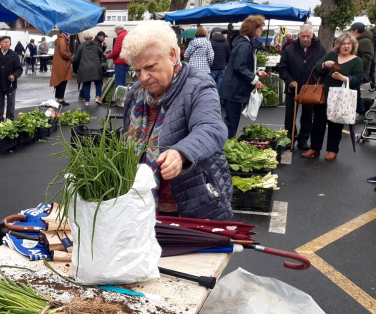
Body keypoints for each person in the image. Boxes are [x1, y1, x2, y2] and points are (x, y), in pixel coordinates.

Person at [120, 21, 232, 220]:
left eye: (150, 67)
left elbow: (212, 128)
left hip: (188, 205)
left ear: (172, 55)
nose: (143, 77)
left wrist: (181, 153)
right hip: (138, 206)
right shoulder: (135, 93)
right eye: (137, 71)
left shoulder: (199, 86)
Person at [302, 32, 366, 161]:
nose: (346, 46)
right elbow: (317, 68)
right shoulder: (331, 55)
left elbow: (359, 78)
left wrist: (344, 78)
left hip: (340, 98)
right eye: (343, 43)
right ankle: (314, 148)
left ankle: (332, 150)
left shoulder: (356, 60)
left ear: (353, 46)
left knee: (336, 125)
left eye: (349, 44)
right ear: (339, 45)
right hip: (324, 95)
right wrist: (325, 65)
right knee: (318, 123)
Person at [276, 24, 326, 151]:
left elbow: (323, 68)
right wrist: (289, 80)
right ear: (299, 35)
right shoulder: (290, 48)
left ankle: (303, 140)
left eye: (308, 36)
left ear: (312, 35)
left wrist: (318, 82)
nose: (305, 39)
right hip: (293, 87)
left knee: (307, 115)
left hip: (310, 88)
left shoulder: (320, 48)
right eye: (303, 36)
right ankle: (290, 138)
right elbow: (282, 68)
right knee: (290, 116)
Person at [219, 15, 268, 139]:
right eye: (260, 28)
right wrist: (255, 80)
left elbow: (242, 65)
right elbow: (239, 67)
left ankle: (224, 146)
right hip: (234, 90)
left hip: (233, 88)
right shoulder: (244, 45)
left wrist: (256, 72)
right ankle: (222, 148)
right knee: (231, 123)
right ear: (254, 28)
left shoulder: (244, 43)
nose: (261, 31)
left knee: (231, 122)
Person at [0, 36, 23, 122]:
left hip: (10, 84)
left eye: (8, 42)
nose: (7, 43)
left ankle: (10, 119)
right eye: (5, 42)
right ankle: (0, 119)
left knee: (11, 103)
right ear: (0, 44)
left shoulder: (14, 55)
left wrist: (14, 76)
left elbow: (19, 69)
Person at [349, 22, 373, 118]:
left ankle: (362, 112)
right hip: (358, 72)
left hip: (361, 72)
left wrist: (355, 64)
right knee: (354, 92)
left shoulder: (364, 41)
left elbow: (368, 56)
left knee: (355, 93)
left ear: (355, 31)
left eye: (351, 31)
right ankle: (362, 111)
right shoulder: (360, 40)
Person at [73, 31, 104, 106]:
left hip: (84, 67)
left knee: (86, 83)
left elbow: (76, 58)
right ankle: (98, 97)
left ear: (84, 37)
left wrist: (76, 68)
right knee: (99, 82)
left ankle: (87, 101)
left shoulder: (81, 46)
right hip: (95, 66)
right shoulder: (96, 45)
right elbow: (101, 54)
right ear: (92, 37)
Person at [50, 31, 73, 106]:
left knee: (59, 81)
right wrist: (69, 55)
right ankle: (60, 99)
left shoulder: (60, 39)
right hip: (63, 64)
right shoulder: (63, 40)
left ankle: (58, 98)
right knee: (63, 81)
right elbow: (63, 52)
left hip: (59, 64)